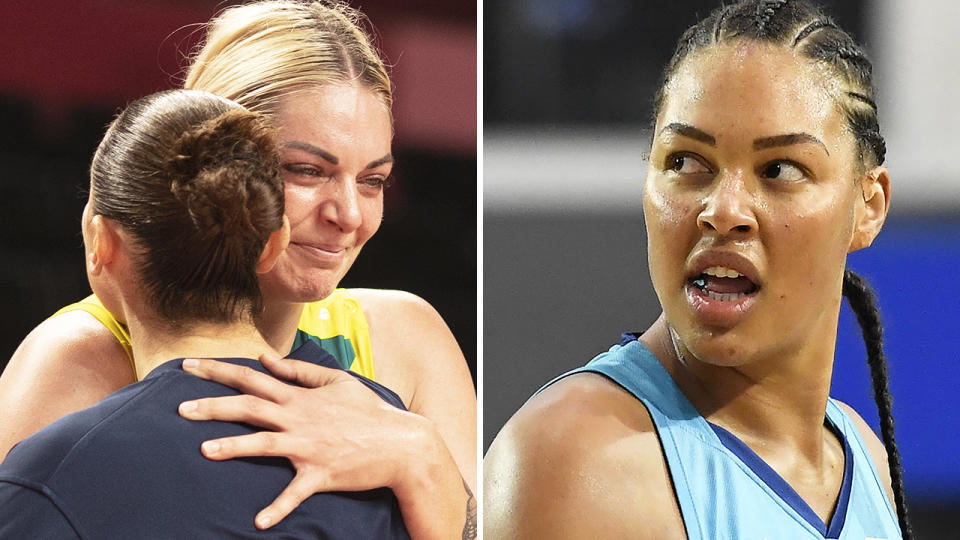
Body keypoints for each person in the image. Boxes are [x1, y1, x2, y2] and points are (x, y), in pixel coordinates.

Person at [0, 1, 475, 538]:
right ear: (221, 159)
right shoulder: (76, 355)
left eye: (373, 180)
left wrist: (423, 457)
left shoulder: (407, 338)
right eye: (305, 171)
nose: (349, 215)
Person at [484, 1, 909, 538]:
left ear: (868, 206)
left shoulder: (865, 458)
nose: (724, 211)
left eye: (780, 169)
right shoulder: (577, 462)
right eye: (685, 162)